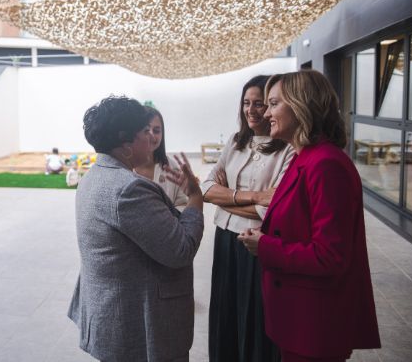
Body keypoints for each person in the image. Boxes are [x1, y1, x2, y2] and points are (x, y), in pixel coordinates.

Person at [239, 70, 381, 362]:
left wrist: (265, 246)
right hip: (298, 316)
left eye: (274, 103)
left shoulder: (326, 165)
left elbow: (331, 255)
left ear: (302, 105)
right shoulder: (305, 157)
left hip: (315, 322)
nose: (265, 113)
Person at [67, 96, 204, 362]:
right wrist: (195, 199)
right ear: (127, 143)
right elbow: (181, 249)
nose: (152, 140)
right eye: (145, 132)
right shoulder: (129, 189)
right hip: (138, 327)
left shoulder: (93, 177)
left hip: (113, 316)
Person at [201, 75, 294, 362]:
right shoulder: (235, 141)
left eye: (260, 104)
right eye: (246, 103)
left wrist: (225, 197)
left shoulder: (288, 149)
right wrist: (254, 196)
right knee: (227, 309)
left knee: (255, 315)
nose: (251, 110)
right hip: (226, 240)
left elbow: (273, 209)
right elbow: (205, 188)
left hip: (257, 243)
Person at [135, 106, 188, 210]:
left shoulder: (172, 167)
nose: (151, 136)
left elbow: (182, 203)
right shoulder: (124, 168)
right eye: (146, 130)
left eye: (156, 131)